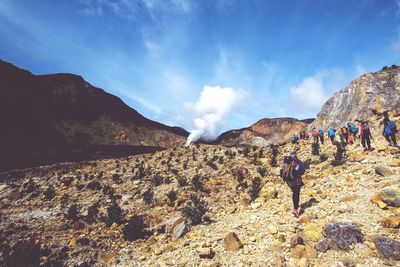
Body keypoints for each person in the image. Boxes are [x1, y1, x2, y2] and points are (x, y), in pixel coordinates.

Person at [280, 151, 305, 217]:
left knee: (294, 192)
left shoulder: (286, 162)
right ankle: (295, 209)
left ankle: (295, 206)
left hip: (288, 181)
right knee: (296, 194)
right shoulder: (298, 162)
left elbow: (282, 171)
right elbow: (302, 170)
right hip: (296, 180)